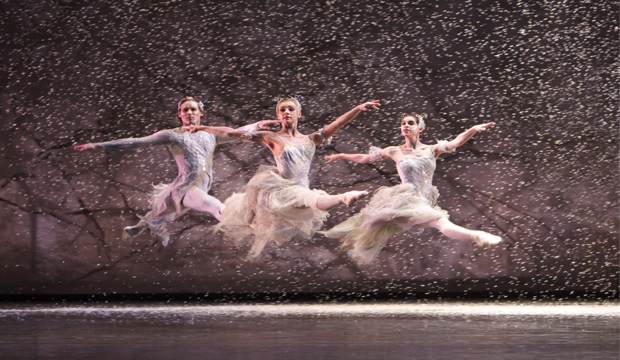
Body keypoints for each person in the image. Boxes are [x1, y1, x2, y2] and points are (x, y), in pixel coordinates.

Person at [184, 97, 380, 257]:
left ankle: (342, 198)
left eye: (290, 109)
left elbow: (337, 123)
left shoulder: (312, 138)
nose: (287, 112)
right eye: (283, 110)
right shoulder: (272, 137)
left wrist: (358, 108)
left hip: (301, 186)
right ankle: (342, 198)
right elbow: (232, 133)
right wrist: (203, 128)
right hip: (280, 190)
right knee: (305, 199)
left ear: (298, 114)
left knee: (307, 197)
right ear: (278, 115)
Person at [74, 97, 277, 245]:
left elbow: (238, 132)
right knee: (215, 206)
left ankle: (137, 228)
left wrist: (257, 125)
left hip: (200, 187)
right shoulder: (172, 135)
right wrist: (99, 145)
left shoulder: (211, 135)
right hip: (187, 188)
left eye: (192, 110)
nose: (189, 113)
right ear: (179, 114)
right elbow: (136, 142)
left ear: (200, 113)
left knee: (162, 210)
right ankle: (254, 227)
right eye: (184, 110)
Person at [322, 113, 502, 264]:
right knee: (373, 223)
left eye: (410, 123)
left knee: (440, 222)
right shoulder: (394, 150)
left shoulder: (432, 149)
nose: (406, 126)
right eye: (403, 123)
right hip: (405, 198)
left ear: (420, 128)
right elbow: (365, 158)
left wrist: (472, 129)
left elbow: (456, 142)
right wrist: (342, 155)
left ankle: (476, 236)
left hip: (422, 198)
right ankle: (476, 235)